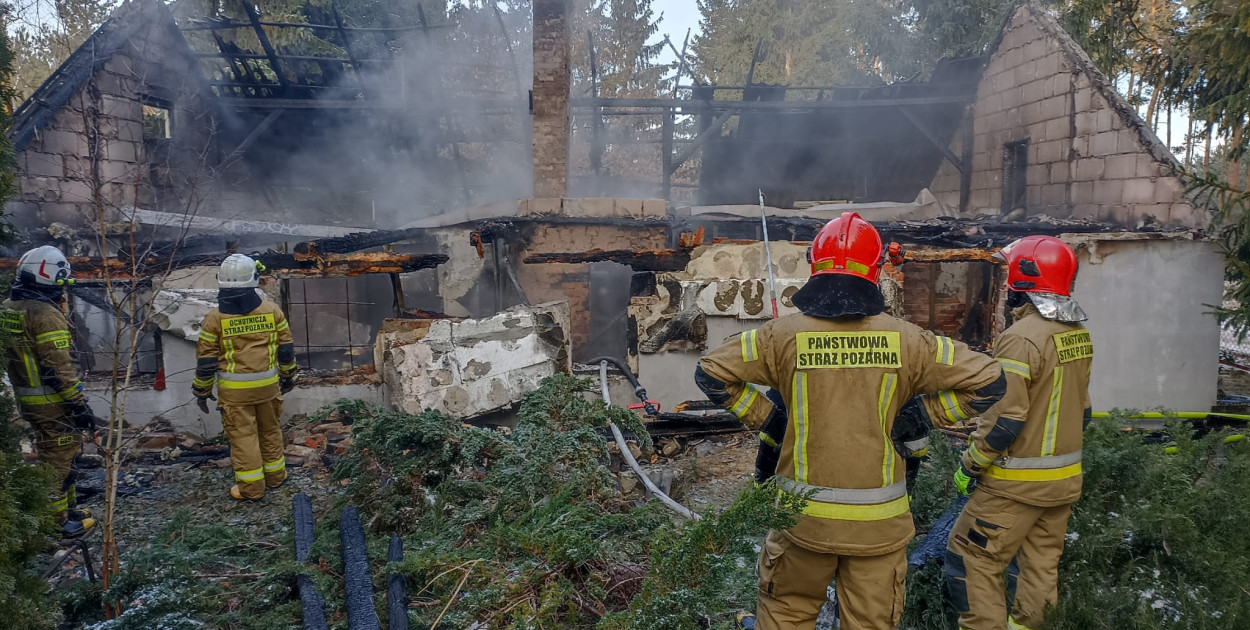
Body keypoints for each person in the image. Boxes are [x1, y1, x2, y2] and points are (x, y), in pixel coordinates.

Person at [696, 212, 1006, 630]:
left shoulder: (779, 336)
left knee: (786, 615)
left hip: (800, 524)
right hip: (879, 532)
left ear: (815, 264)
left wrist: (770, 419)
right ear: (875, 270)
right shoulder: (910, 341)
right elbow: (990, 381)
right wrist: (923, 415)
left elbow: (711, 372)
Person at [943, 235, 1092, 630]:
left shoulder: (1021, 337)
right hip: (1063, 482)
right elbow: (1084, 411)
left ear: (1025, 278)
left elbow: (1005, 418)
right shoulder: (1077, 332)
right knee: (1039, 568)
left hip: (1014, 485)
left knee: (971, 558)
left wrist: (971, 465)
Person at [2, 246, 96, 537]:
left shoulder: (9, 307)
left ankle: (68, 510)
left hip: (28, 398)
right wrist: (79, 405)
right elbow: (59, 368)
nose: (63, 291)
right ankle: (57, 524)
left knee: (63, 453)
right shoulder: (44, 314)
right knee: (58, 459)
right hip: (52, 402)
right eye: (61, 283)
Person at [193, 254, 298, 500]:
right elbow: (286, 350)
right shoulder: (272, 311)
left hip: (235, 395)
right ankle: (276, 477)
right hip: (268, 389)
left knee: (243, 438)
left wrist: (201, 392)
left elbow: (206, 362)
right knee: (270, 431)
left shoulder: (215, 319)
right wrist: (288, 377)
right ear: (254, 279)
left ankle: (251, 489)